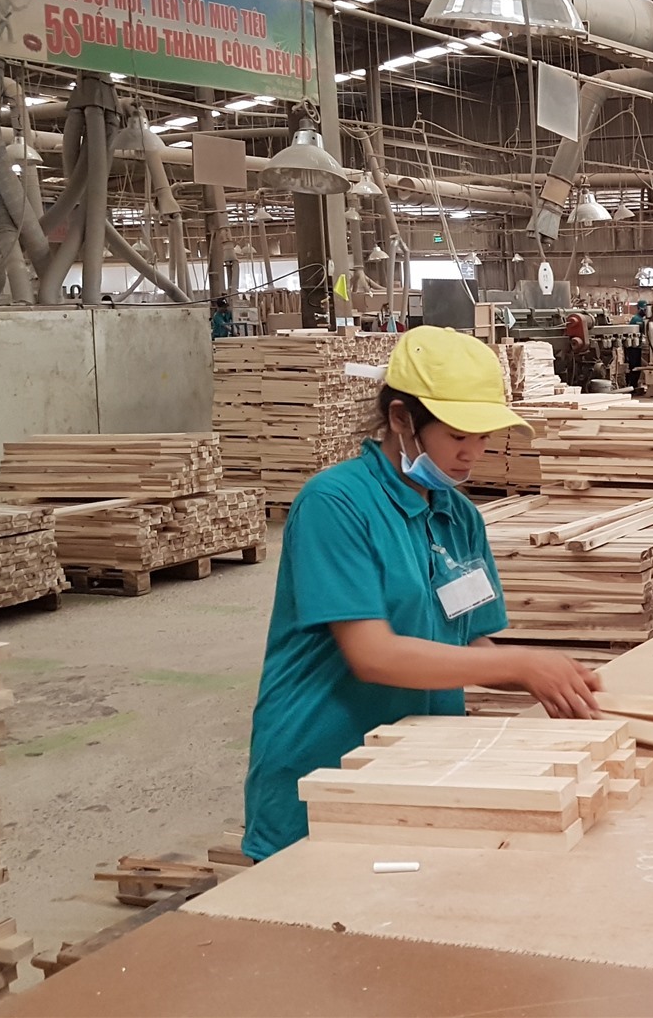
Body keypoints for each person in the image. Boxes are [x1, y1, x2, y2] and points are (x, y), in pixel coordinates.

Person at [242, 327, 602, 861]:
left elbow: (467, 643)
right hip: (327, 767)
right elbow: (373, 654)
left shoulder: (459, 516)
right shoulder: (335, 504)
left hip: (422, 767)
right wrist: (522, 665)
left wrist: (555, 678)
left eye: (483, 438)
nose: (471, 455)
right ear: (401, 419)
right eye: (457, 436)